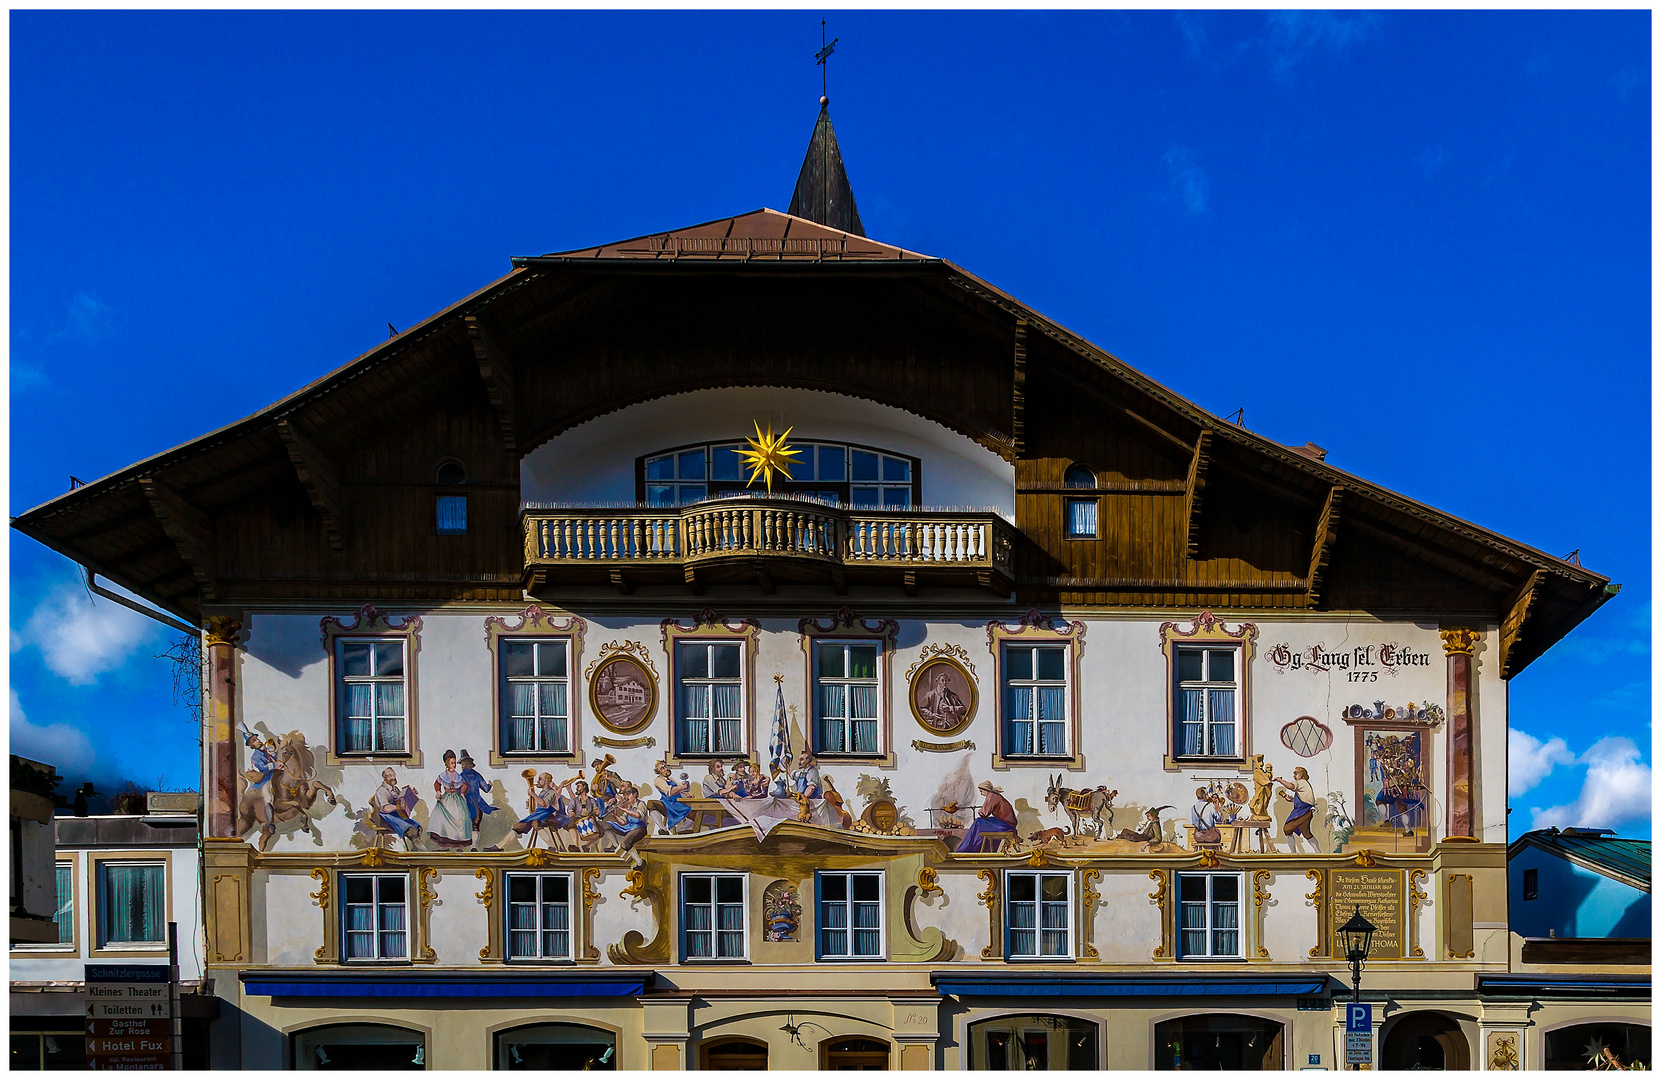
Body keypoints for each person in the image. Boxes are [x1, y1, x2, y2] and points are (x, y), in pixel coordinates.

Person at [955, 781, 1017, 854]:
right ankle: (983, 850)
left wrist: (980, 811)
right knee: (981, 822)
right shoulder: (995, 795)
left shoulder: (991, 795)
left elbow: (984, 814)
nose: (981, 793)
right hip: (1006, 823)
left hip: (1005, 825)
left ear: (985, 790)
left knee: (978, 822)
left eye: (981, 791)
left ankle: (966, 849)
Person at [429, 750, 473, 849]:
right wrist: (438, 792)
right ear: (447, 764)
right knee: (444, 821)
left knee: (460, 819)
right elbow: (437, 783)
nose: (454, 765)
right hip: (447, 800)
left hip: (457, 800)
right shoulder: (443, 775)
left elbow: (465, 785)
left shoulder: (458, 776)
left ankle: (459, 846)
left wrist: (462, 793)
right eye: (452, 763)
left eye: (454, 762)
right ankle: (444, 846)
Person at [371, 767, 421, 850]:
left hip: (396, 816)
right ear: (384, 777)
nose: (393, 778)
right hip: (385, 818)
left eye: (394, 775)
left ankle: (415, 851)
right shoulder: (381, 791)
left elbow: (401, 801)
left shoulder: (395, 789)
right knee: (410, 830)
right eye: (390, 776)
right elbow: (385, 808)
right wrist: (398, 807)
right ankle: (417, 852)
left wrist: (411, 794)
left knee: (417, 827)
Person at [1275, 766, 1320, 853]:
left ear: (1302, 774)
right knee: (1306, 833)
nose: (1294, 776)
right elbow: (1304, 798)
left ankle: (1293, 852)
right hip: (1306, 811)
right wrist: (1292, 800)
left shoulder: (1301, 782)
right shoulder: (1304, 784)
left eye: (1296, 773)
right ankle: (1318, 852)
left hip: (1303, 812)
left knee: (1287, 829)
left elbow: (1291, 786)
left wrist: (1279, 780)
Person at [456, 750, 498, 838]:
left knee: (462, 826)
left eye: (462, 764)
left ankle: (462, 846)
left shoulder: (460, 776)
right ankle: (474, 847)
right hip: (477, 804)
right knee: (475, 826)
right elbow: (486, 789)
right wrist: (490, 785)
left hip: (465, 804)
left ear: (466, 764)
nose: (461, 766)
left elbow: (457, 790)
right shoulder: (477, 775)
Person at [604, 784, 648, 856]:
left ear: (635, 794)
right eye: (626, 795)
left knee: (625, 843)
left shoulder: (641, 804)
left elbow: (638, 815)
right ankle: (615, 845)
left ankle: (639, 862)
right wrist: (614, 815)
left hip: (640, 829)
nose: (626, 797)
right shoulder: (629, 807)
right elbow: (623, 822)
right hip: (629, 828)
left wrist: (626, 810)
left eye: (629, 795)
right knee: (606, 825)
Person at [653, 760, 693, 834]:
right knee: (651, 804)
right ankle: (663, 829)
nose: (665, 769)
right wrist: (682, 787)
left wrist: (687, 793)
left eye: (665, 767)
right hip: (668, 804)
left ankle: (682, 830)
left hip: (677, 802)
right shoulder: (658, 780)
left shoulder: (671, 779)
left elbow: (679, 788)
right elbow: (670, 792)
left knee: (694, 813)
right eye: (662, 768)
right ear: (658, 771)